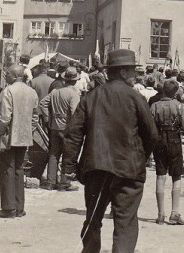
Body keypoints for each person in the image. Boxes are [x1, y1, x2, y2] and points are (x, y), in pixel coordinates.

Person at [63, 49, 158, 253]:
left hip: (96, 168)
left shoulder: (90, 97)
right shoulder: (136, 98)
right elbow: (152, 134)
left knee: (93, 219)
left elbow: (73, 134)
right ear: (123, 72)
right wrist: (140, 158)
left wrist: (70, 166)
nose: (136, 75)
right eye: (133, 71)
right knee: (125, 223)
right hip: (129, 170)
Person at [0, 64, 39, 218]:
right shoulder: (32, 92)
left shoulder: (8, 91)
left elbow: (4, 118)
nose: (5, 76)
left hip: (8, 137)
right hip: (24, 137)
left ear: (14, 75)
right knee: (19, 170)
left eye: (7, 74)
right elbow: (35, 117)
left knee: (6, 170)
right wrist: (27, 131)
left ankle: (8, 208)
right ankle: (19, 208)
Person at [151, 79, 184, 226]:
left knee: (160, 176)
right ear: (175, 92)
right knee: (176, 176)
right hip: (174, 140)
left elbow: (150, 126)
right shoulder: (179, 106)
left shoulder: (155, 105)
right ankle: (174, 213)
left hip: (159, 139)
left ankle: (160, 215)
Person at [38, 66, 81, 191]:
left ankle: (51, 182)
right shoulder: (73, 94)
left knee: (54, 154)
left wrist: (47, 119)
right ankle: (64, 182)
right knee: (68, 154)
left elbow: (43, 104)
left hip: (54, 126)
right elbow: (74, 112)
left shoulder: (55, 91)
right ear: (75, 81)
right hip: (67, 127)